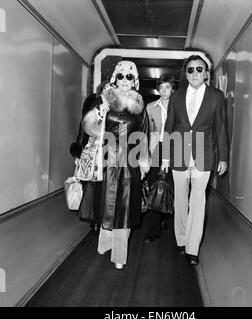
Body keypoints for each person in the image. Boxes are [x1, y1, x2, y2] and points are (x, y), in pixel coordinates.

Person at [81, 60, 150, 270]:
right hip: (106, 158)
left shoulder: (140, 107)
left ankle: (119, 254)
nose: (124, 80)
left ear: (135, 80)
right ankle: (104, 244)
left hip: (130, 160)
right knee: (106, 203)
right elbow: (88, 127)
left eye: (129, 76)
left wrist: (144, 161)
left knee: (126, 206)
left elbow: (144, 135)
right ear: (115, 78)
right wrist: (97, 115)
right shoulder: (104, 101)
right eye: (121, 76)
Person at [161, 54, 228, 265]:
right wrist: (164, 158)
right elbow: (168, 128)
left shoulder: (216, 96)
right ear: (186, 74)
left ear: (206, 73)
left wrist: (223, 157)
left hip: (204, 154)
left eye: (199, 69)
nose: (195, 73)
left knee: (198, 201)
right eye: (190, 70)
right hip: (178, 153)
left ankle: (192, 248)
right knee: (180, 200)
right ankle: (181, 240)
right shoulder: (176, 97)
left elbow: (221, 129)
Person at [70, 80, 111, 233]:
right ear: (101, 90)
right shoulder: (93, 103)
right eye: (106, 88)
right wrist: (79, 153)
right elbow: (83, 127)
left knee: (106, 187)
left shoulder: (117, 105)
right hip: (92, 148)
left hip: (109, 150)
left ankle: (102, 219)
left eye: (111, 88)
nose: (108, 91)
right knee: (91, 185)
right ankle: (93, 219)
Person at [143, 74, 175, 242]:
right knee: (155, 187)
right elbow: (146, 131)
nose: (164, 91)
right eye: (161, 87)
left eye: (167, 87)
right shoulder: (150, 107)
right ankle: (153, 231)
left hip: (175, 148)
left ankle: (166, 217)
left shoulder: (178, 105)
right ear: (158, 89)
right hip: (156, 148)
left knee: (170, 186)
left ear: (172, 88)